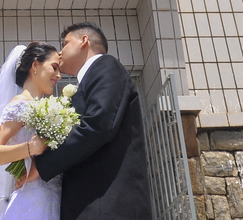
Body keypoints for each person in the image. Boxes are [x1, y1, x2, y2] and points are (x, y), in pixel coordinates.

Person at [31, 23, 153, 220]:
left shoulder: (106, 65)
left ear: (84, 41)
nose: (60, 53)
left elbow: (98, 125)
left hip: (109, 205)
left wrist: (41, 166)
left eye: (65, 43)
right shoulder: (88, 80)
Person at [0, 43, 62, 220]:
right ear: (35, 65)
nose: (59, 75)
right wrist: (30, 147)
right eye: (54, 67)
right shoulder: (19, 105)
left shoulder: (51, 110)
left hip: (57, 200)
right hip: (32, 204)